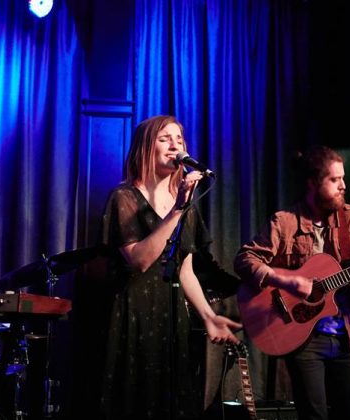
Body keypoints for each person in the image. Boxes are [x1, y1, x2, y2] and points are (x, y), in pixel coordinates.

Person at [233, 145, 350, 420]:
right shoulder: (285, 222)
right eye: (334, 180)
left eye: (343, 178)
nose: (343, 186)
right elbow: (244, 259)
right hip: (303, 338)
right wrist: (286, 282)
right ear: (312, 184)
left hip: (346, 335)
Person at [98, 115, 242, 419]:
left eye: (179, 138)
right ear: (145, 148)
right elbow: (140, 260)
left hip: (171, 315)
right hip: (133, 313)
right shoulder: (123, 197)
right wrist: (177, 210)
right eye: (165, 138)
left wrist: (209, 316)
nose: (174, 144)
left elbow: (185, 270)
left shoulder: (184, 205)